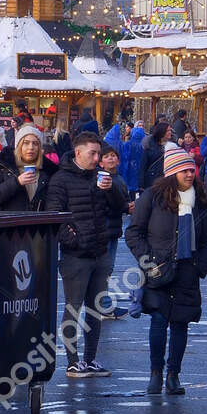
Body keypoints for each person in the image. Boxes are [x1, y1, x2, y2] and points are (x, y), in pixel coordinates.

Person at [126, 145, 207, 396]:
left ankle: (173, 375)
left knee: (180, 323)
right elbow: (134, 233)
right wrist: (148, 259)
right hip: (158, 269)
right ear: (172, 172)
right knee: (158, 320)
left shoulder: (201, 200)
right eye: (184, 170)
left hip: (188, 271)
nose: (190, 174)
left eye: (192, 169)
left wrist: (200, 266)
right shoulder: (153, 198)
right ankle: (155, 373)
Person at [46, 133, 129, 378]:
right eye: (93, 154)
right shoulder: (61, 179)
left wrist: (111, 189)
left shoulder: (101, 176)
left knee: (94, 309)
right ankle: (72, 362)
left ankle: (90, 359)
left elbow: (120, 207)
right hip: (76, 255)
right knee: (74, 306)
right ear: (78, 152)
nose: (97, 158)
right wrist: (74, 240)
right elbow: (55, 215)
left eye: (99, 154)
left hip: (99, 251)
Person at [0, 124, 58, 212]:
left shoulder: (49, 171)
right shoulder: (2, 166)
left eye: (35, 143)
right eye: (26, 143)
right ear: (18, 146)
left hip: (37, 224)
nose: (31, 147)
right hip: (9, 223)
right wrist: (17, 182)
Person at [143, 121, 171, 192]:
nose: (170, 132)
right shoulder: (149, 146)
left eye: (170, 130)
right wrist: (141, 185)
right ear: (162, 131)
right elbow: (143, 166)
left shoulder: (173, 146)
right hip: (152, 181)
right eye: (168, 130)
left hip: (167, 180)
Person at [121, 123, 145, 195]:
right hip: (141, 170)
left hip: (131, 168)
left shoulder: (127, 144)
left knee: (131, 190)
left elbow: (124, 156)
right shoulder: (144, 145)